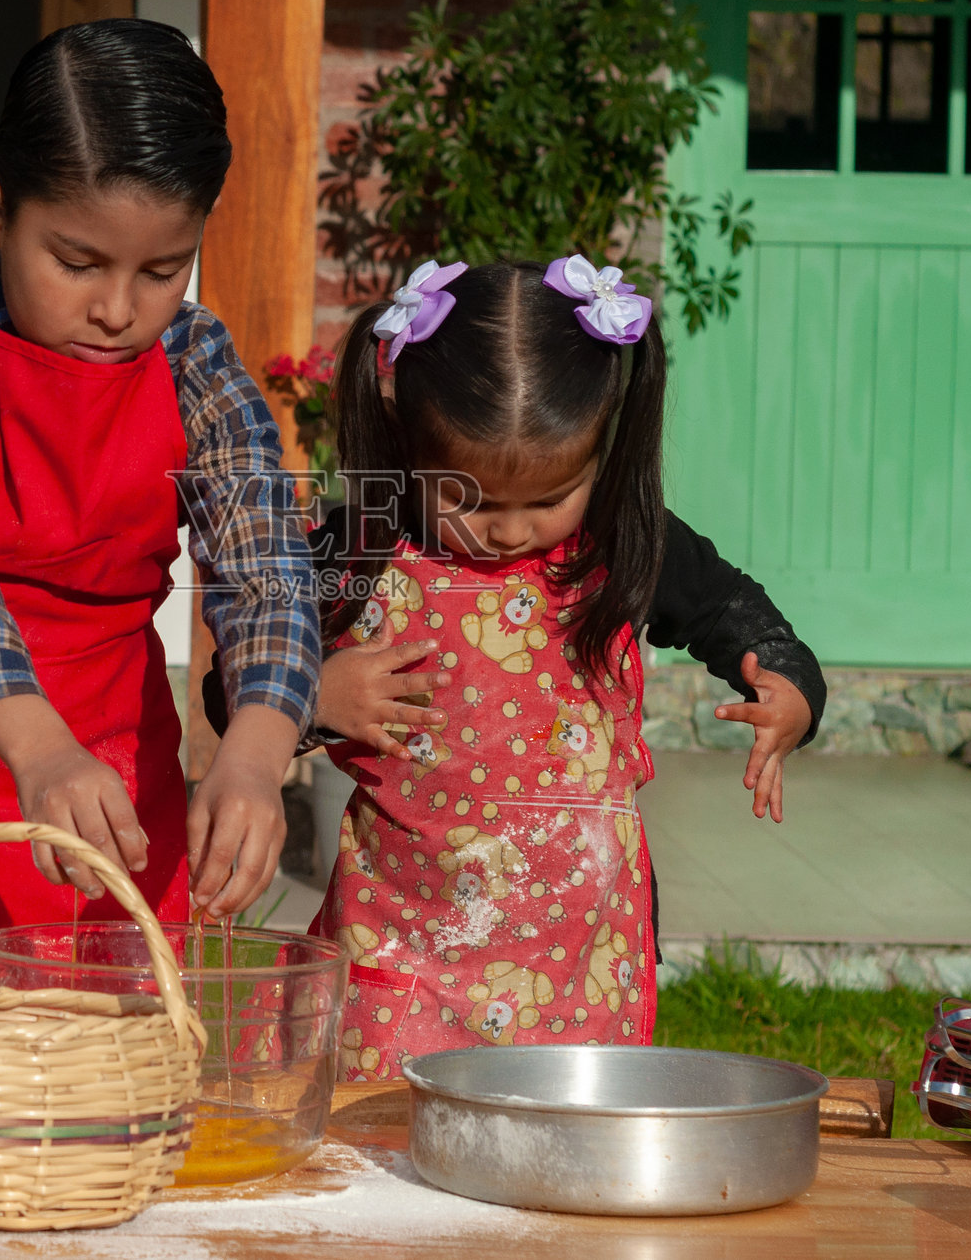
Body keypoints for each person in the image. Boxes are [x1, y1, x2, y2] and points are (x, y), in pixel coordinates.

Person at [0, 19, 317, 1042]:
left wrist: (255, 755)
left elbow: (263, 562)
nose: (120, 308)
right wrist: (36, 748)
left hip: (114, 790)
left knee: (110, 1073)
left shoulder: (198, 362)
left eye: (164, 269)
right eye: (77, 261)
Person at [238, 256, 825, 1079]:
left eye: (549, 499)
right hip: (406, 951)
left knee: (558, 1162)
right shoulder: (363, 543)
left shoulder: (620, 541)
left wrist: (790, 689)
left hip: (575, 965)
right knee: (383, 1168)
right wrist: (316, 694)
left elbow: (735, 613)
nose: (509, 532)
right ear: (410, 446)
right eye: (469, 501)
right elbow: (237, 684)